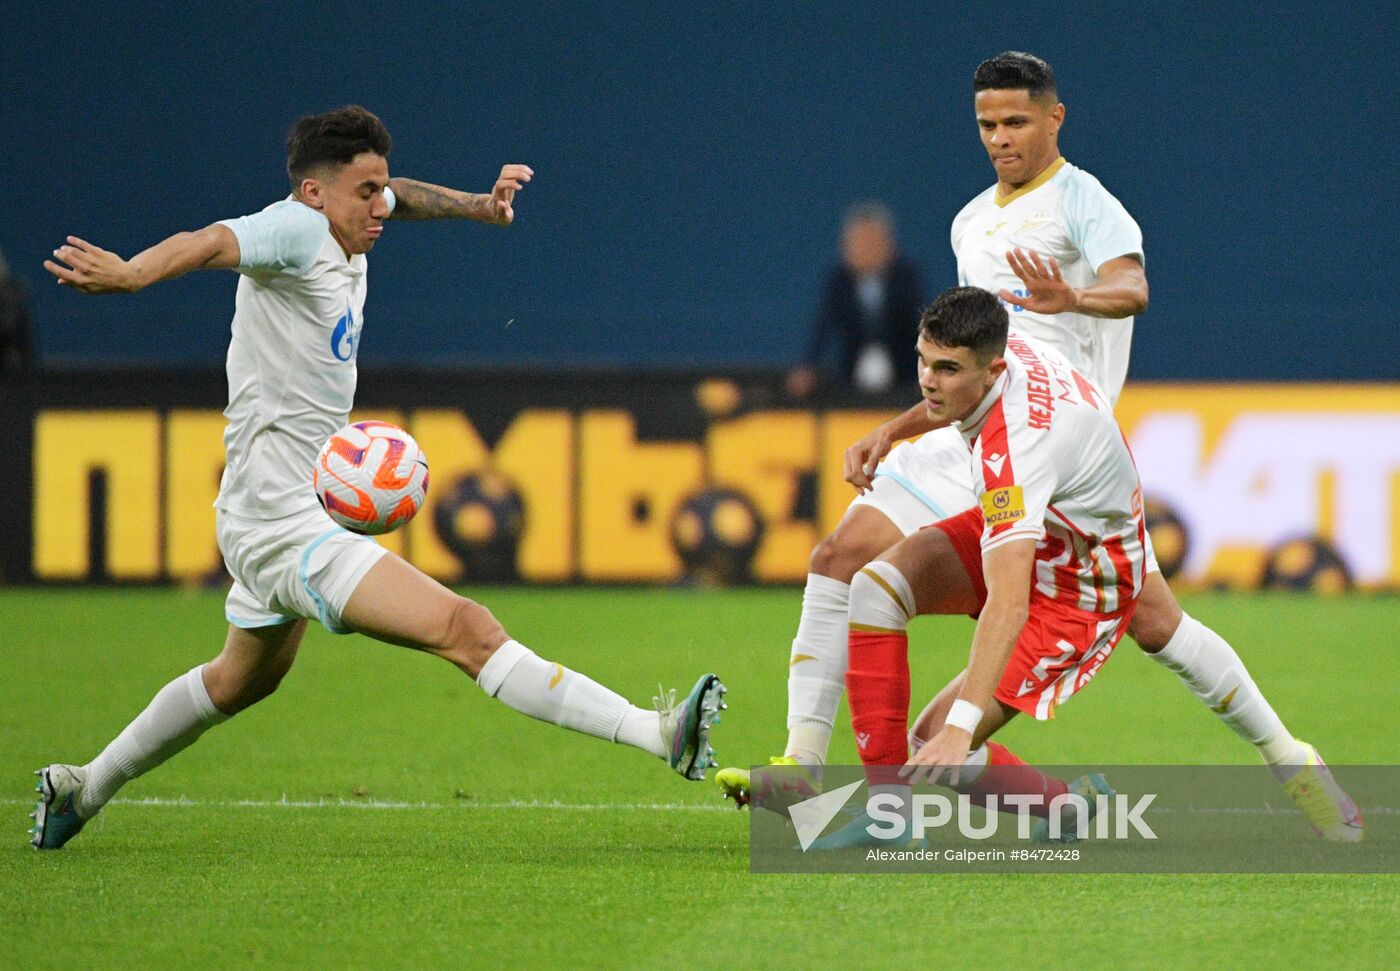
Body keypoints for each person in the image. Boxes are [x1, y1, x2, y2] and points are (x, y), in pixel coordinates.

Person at [30, 106, 726, 851]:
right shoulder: (292, 230)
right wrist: (134, 273)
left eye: (381, 187)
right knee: (467, 628)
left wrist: (477, 206)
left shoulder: (346, 215)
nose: (381, 206)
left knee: (241, 680)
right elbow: (211, 242)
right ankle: (658, 734)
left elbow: (408, 196)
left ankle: (81, 786)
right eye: (365, 192)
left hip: (286, 508)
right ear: (313, 192)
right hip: (281, 519)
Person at [718, 52, 1359, 841]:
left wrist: (1074, 296)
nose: (1000, 138)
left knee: (1146, 622)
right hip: (989, 425)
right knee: (848, 563)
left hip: (1055, 453)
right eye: (987, 123)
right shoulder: (969, 220)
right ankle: (814, 769)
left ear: (1054, 119)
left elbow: (1134, 289)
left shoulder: (1084, 201)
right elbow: (969, 359)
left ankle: (1288, 761)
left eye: (1015, 121)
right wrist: (897, 425)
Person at [785, 202, 924, 399]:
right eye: (858, 244)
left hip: (903, 373)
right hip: (850, 375)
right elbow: (823, 327)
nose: (865, 251)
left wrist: (931, 368)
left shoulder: (906, 277)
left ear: (888, 245)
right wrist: (808, 367)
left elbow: (922, 324)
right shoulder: (838, 281)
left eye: (872, 243)